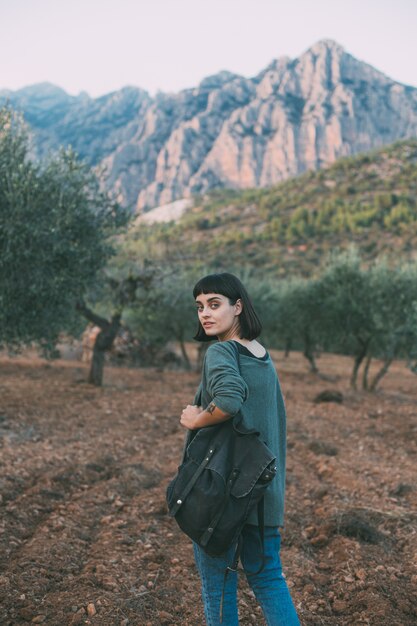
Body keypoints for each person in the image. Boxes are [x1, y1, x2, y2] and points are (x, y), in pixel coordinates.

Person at [179, 273, 300, 626]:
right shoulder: (262, 355)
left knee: (218, 587)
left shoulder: (221, 351)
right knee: (268, 579)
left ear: (238, 307)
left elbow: (229, 400)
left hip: (223, 494)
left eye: (214, 304)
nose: (205, 313)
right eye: (199, 306)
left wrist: (196, 418)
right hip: (264, 494)